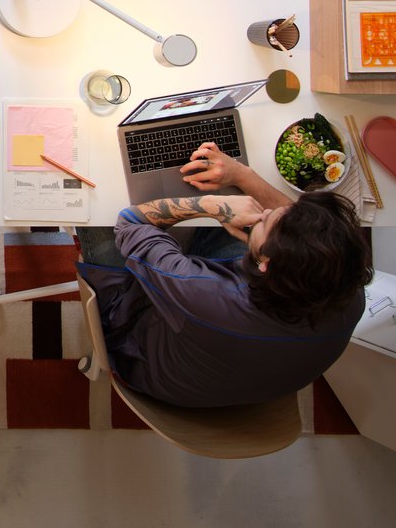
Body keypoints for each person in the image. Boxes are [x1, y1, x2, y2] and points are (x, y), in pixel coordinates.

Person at [77, 142, 371, 408]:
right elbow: (299, 223)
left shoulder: (205, 293)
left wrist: (213, 206)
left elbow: (130, 222)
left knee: (95, 209)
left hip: (154, 367)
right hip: (251, 379)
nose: (267, 212)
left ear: (266, 264)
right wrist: (242, 176)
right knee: (233, 212)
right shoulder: (349, 289)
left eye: (268, 221)